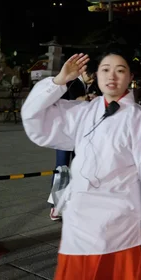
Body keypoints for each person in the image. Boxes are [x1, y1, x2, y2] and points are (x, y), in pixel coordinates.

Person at [21, 51, 141, 280]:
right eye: (105, 69)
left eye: (120, 70)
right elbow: (35, 120)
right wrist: (59, 81)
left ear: (130, 77)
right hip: (80, 220)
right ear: (96, 75)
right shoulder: (83, 112)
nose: (111, 76)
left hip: (121, 220)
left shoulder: (140, 118)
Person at [48, 60, 101, 221]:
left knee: (81, 168)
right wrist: (79, 100)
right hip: (65, 134)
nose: (92, 80)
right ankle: (56, 206)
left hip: (82, 135)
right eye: (90, 76)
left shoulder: (93, 87)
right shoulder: (70, 84)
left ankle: (76, 203)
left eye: (94, 77)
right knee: (62, 169)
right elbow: (58, 104)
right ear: (82, 71)